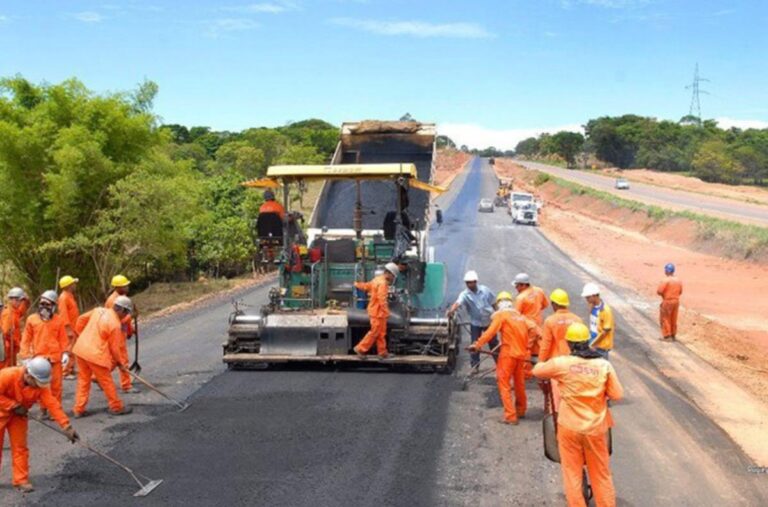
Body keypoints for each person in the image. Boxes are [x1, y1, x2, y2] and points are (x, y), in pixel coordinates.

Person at [533, 323, 624, 507]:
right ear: (587, 342)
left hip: (569, 428)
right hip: (595, 429)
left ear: (569, 343)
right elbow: (617, 394)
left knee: (572, 472)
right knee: (600, 473)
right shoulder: (603, 365)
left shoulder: (562, 363)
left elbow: (537, 371)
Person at [0, 357, 79, 492]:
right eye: (36, 382)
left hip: (18, 416)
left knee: (20, 447)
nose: (38, 386)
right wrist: (12, 405)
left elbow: (52, 404)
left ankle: (21, 480)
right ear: (28, 375)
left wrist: (67, 426)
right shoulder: (7, 375)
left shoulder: (40, 386)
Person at [469, 291, 540, 425]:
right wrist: (527, 344)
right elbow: (535, 330)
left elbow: (491, 332)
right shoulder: (520, 316)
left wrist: (477, 344)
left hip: (508, 355)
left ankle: (510, 416)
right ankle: (521, 410)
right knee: (519, 383)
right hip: (521, 355)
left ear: (499, 303)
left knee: (504, 383)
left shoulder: (501, 315)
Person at [72, 296, 134, 417]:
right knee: (106, 381)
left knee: (83, 380)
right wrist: (120, 364)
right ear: (122, 310)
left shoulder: (98, 310)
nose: (125, 316)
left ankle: (78, 409)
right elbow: (114, 350)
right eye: (126, 313)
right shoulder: (115, 325)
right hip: (95, 354)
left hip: (80, 349)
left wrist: (82, 335)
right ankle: (116, 407)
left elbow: (80, 319)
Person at [19, 291, 70, 406]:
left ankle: (55, 409)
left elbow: (63, 339)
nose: (44, 307)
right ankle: (43, 408)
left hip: (55, 359)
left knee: (56, 386)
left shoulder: (58, 320)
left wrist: (66, 353)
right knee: (41, 386)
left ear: (53, 306)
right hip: (39, 359)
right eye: (42, 304)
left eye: (48, 305)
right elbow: (25, 340)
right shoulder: (32, 319)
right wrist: (25, 356)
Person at [539, 289, 583, 412]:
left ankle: (558, 417)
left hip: (557, 363)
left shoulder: (550, 321)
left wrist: (541, 363)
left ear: (554, 304)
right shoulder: (577, 320)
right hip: (575, 361)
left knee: (557, 394)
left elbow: (545, 345)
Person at [446, 270, 497, 373]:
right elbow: (458, 302)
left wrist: (499, 315)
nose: (469, 284)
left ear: (475, 281)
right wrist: (452, 310)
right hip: (476, 323)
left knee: (493, 344)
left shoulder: (485, 290)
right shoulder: (465, 294)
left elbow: (493, 302)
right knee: (475, 345)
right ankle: (475, 366)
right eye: (467, 283)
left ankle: (500, 364)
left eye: (471, 282)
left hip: (489, 321)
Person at [353, 263, 398, 358]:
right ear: (389, 273)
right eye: (393, 276)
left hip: (376, 311)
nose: (393, 278)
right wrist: (387, 312)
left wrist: (357, 284)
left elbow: (367, 286)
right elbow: (382, 299)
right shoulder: (383, 283)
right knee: (375, 332)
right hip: (377, 312)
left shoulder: (377, 279)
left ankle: (382, 352)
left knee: (381, 333)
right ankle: (360, 349)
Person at [105, 275, 138, 394]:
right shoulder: (113, 301)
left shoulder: (121, 297)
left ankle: (97, 376)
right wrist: (131, 316)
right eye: (125, 285)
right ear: (119, 287)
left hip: (121, 332)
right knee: (122, 359)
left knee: (115, 359)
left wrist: (130, 330)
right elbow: (116, 321)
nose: (128, 287)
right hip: (116, 333)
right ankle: (126, 385)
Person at [513, 273, 549, 376]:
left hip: (527, 327)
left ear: (523, 285)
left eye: (517, 285)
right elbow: (545, 305)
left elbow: (516, 316)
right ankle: (540, 369)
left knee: (526, 348)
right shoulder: (539, 291)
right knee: (538, 348)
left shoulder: (521, 298)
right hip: (538, 325)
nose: (516, 288)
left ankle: (526, 372)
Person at [581, 283, 614, 360]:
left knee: (602, 369)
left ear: (594, 295)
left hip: (601, 346)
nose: (586, 299)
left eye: (588, 297)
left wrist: (593, 344)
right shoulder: (592, 306)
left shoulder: (606, 311)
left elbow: (605, 332)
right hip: (593, 341)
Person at [57, 276, 81, 379]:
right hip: (69, 328)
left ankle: (70, 369)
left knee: (73, 349)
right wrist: (68, 329)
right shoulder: (63, 297)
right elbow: (63, 315)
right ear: (69, 286)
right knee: (68, 349)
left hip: (74, 326)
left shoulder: (69, 295)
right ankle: (65, 371)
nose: (75, 285)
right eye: (73, 283)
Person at [1, 288, 28, 368]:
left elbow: (21, 311)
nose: (20, 303)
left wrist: (26, 301)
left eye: (20, 301)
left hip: (12, 347)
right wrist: (16, 341)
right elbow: (5, 332)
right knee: (6, 368)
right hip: (7, 348)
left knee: (12, 366)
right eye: (19, 301)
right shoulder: (8, 313)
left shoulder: (15, 311)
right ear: (13, 300)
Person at [657, 263, 683, 341]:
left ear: (666, 271)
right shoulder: (678, 280)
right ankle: (673, 334)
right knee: (673, 318)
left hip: (667, 301)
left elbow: (659, 291)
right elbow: (680, 291)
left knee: (665, 318)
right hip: (676, 301)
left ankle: (667, 335)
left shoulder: (665, 280)